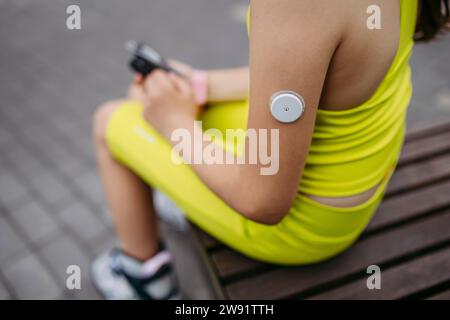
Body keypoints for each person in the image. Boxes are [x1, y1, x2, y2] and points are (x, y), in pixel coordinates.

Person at [91, 0, 450, 299]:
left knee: (112, 120)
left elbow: (261, 201)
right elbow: (307, 70)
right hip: (362, 177)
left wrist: (173, 123)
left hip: (305, 229)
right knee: (192, 110)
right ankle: (191, 187)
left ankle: (144, 279)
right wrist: (198, 86)